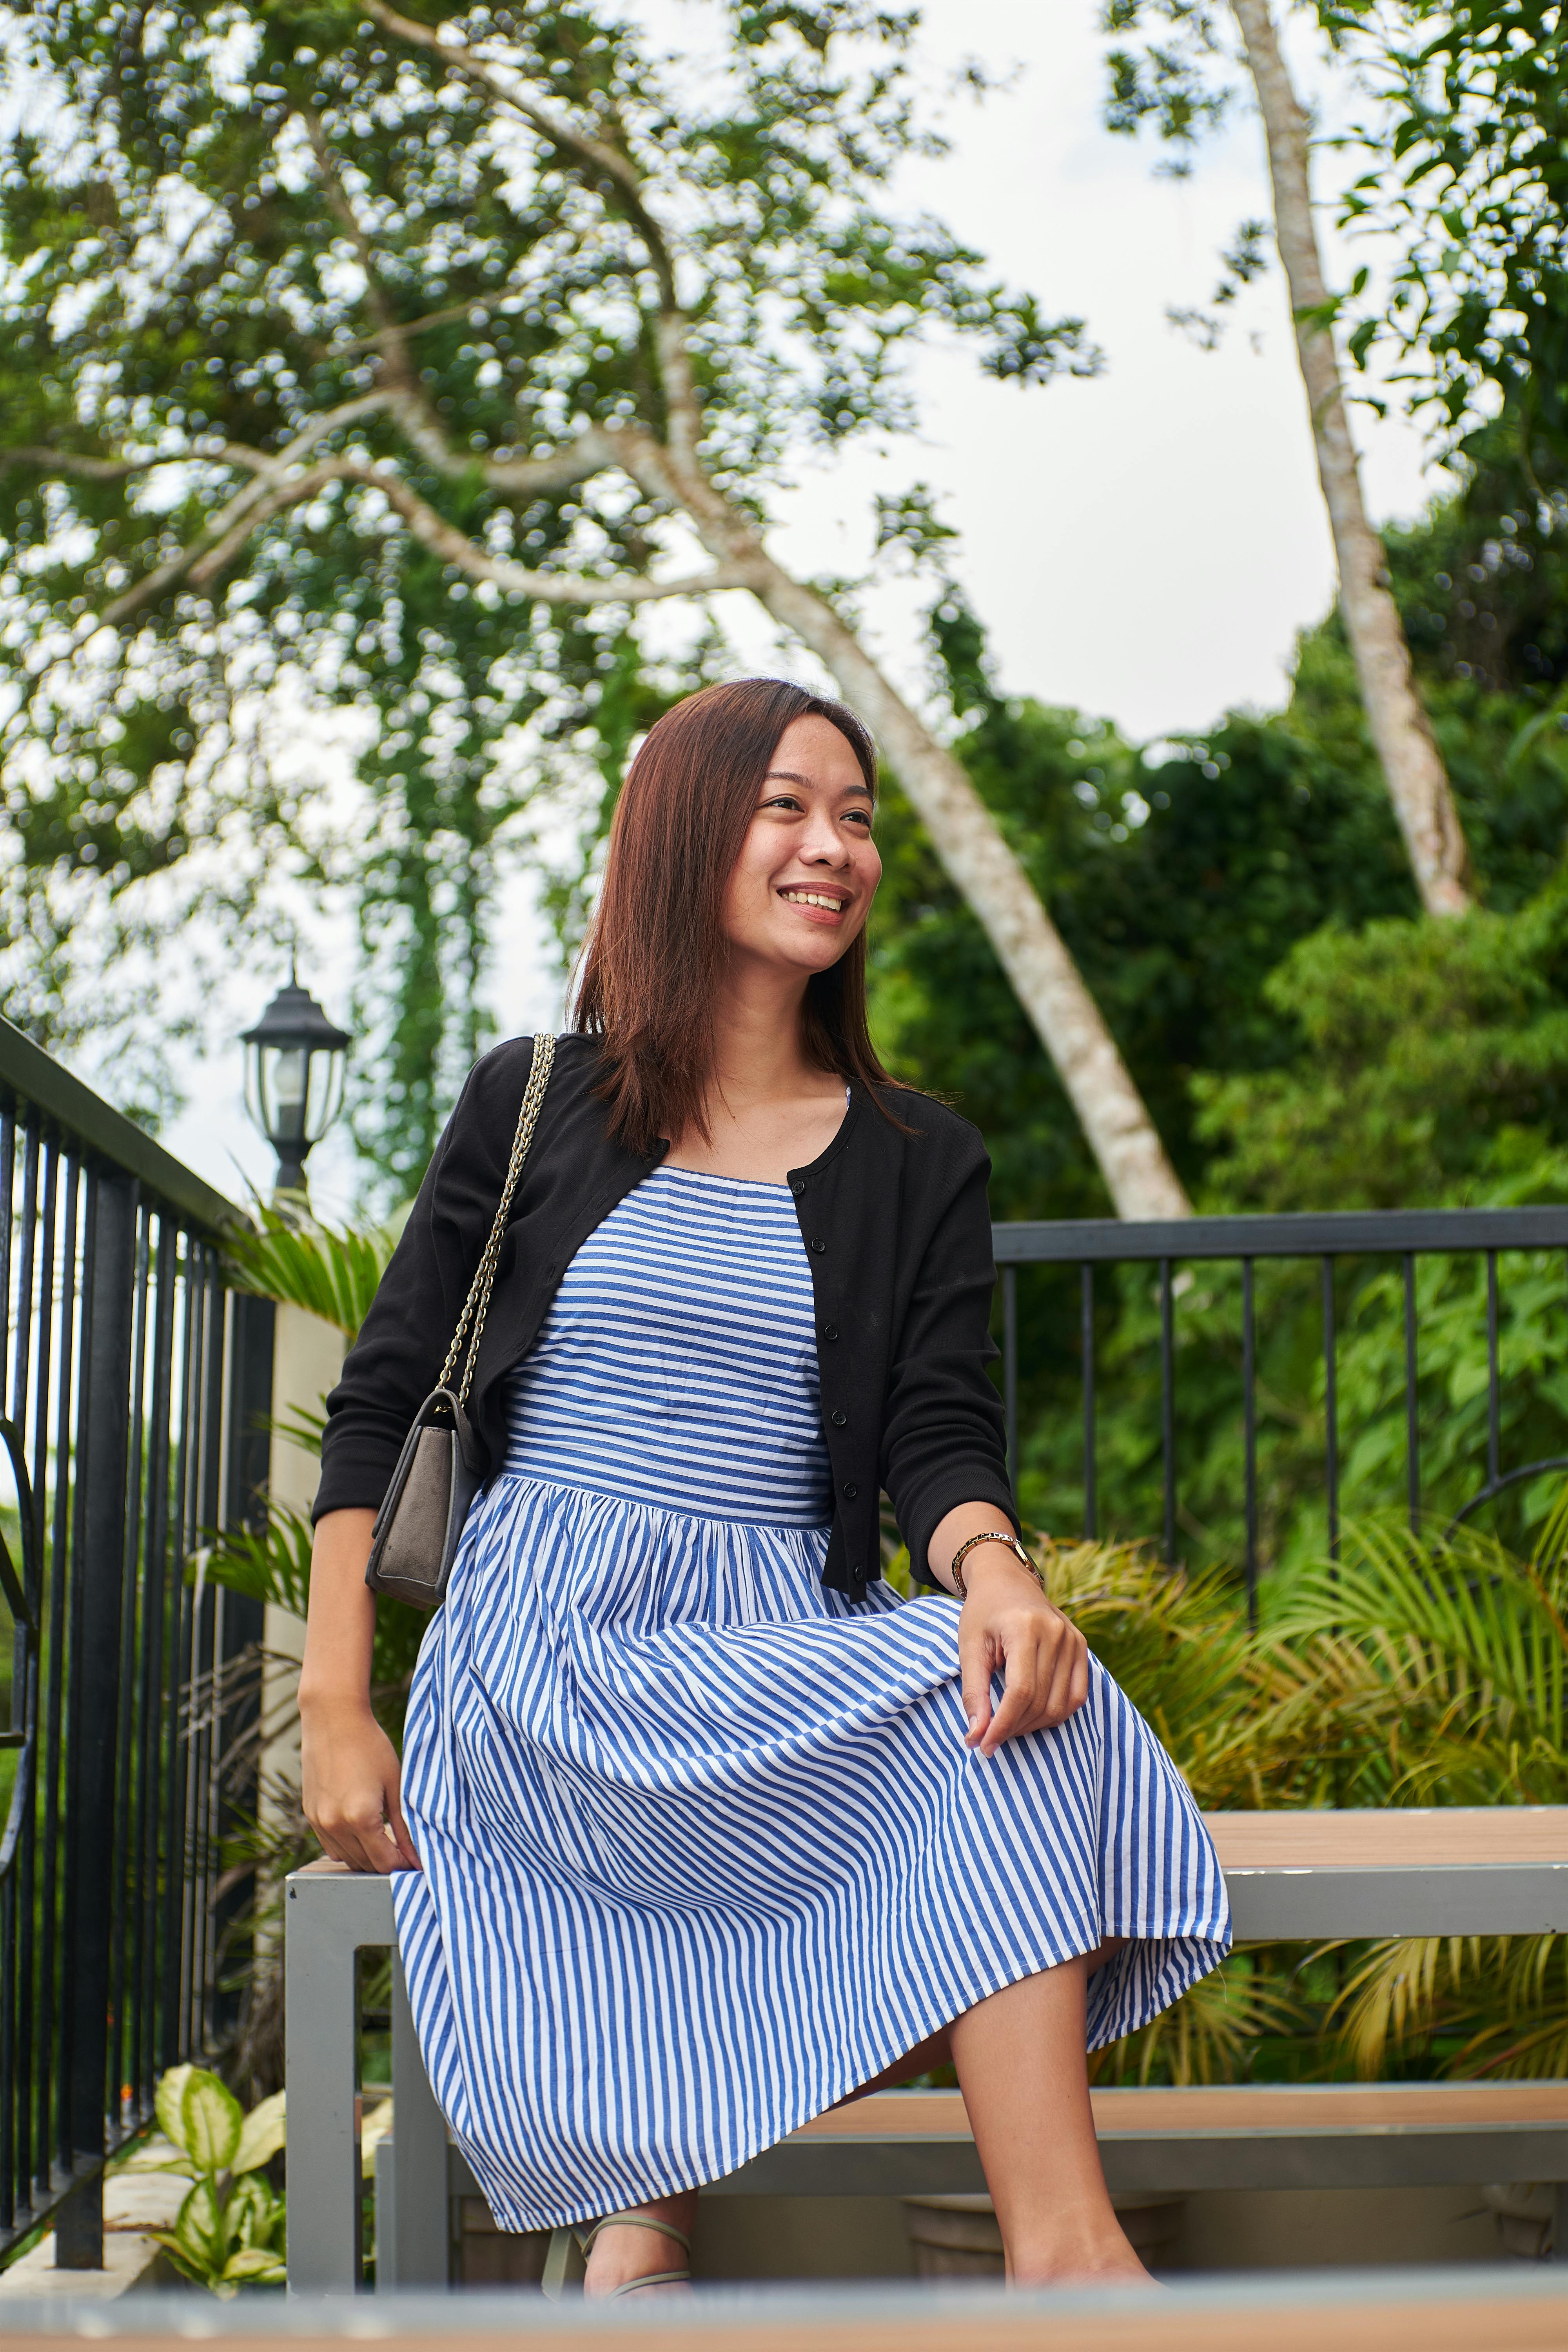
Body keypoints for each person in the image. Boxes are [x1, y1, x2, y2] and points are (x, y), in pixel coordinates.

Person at [300, 677, 1230, 2295]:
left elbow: (942, 1428)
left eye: (858, 818)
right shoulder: (537, 1103)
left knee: (1007, 1696)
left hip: (780, 1630)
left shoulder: (916, 1155)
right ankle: (652, 2219)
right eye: (787, 807)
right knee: (978, 1714)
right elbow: (382, 1397)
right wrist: (334, 1698)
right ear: (683, 833)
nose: (834, 847)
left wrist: (994, 1568)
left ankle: (1062, 2260)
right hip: (554, 1649)